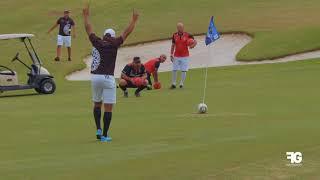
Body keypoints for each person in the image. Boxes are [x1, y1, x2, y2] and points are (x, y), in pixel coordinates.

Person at [82, 3, 139, 142]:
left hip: (95, 78)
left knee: (97, 104)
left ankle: (98, 129)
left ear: (104, 35)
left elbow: (88, 29)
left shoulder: (98, 42)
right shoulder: (115, 44)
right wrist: (134, 20)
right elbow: (127, 32)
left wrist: (85, 16)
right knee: (108, 108)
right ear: (112, 36)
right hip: (107, 78)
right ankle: (105, 135)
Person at [170, 22, 197, 89]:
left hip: (185, 56)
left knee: (184, 70)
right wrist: (171, 54)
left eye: (181, 27)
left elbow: (195, 41)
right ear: (177, 28)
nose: (180, 29)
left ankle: (181, 83)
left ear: (183, 28)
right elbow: (173, 45)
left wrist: (192, 45)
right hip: (176, 55)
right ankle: (173, 83)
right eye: (179, 27)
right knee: (174, 69)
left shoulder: (188, 35)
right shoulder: (174, 35)